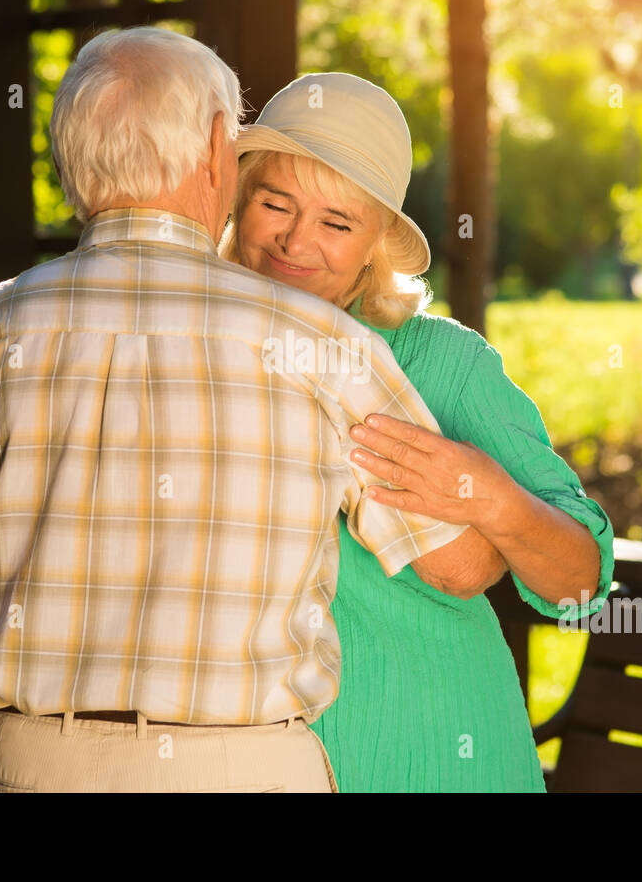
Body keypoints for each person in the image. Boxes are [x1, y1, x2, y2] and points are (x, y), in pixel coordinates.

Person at [0, 29, 483, 792]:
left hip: (31, 765)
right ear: (218, 147)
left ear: (71, 158)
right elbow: (459, 563)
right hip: (243, 771)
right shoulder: (328, 345)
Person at [220, 72, 616, 791]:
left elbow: (581, 583)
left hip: (439, 751)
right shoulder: (194, 343)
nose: (295, 240)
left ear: (376, 245)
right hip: (258, 763)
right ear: (240, 200)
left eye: (337, 223)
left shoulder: (443, 361)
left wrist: (491, 497)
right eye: (276, 203)